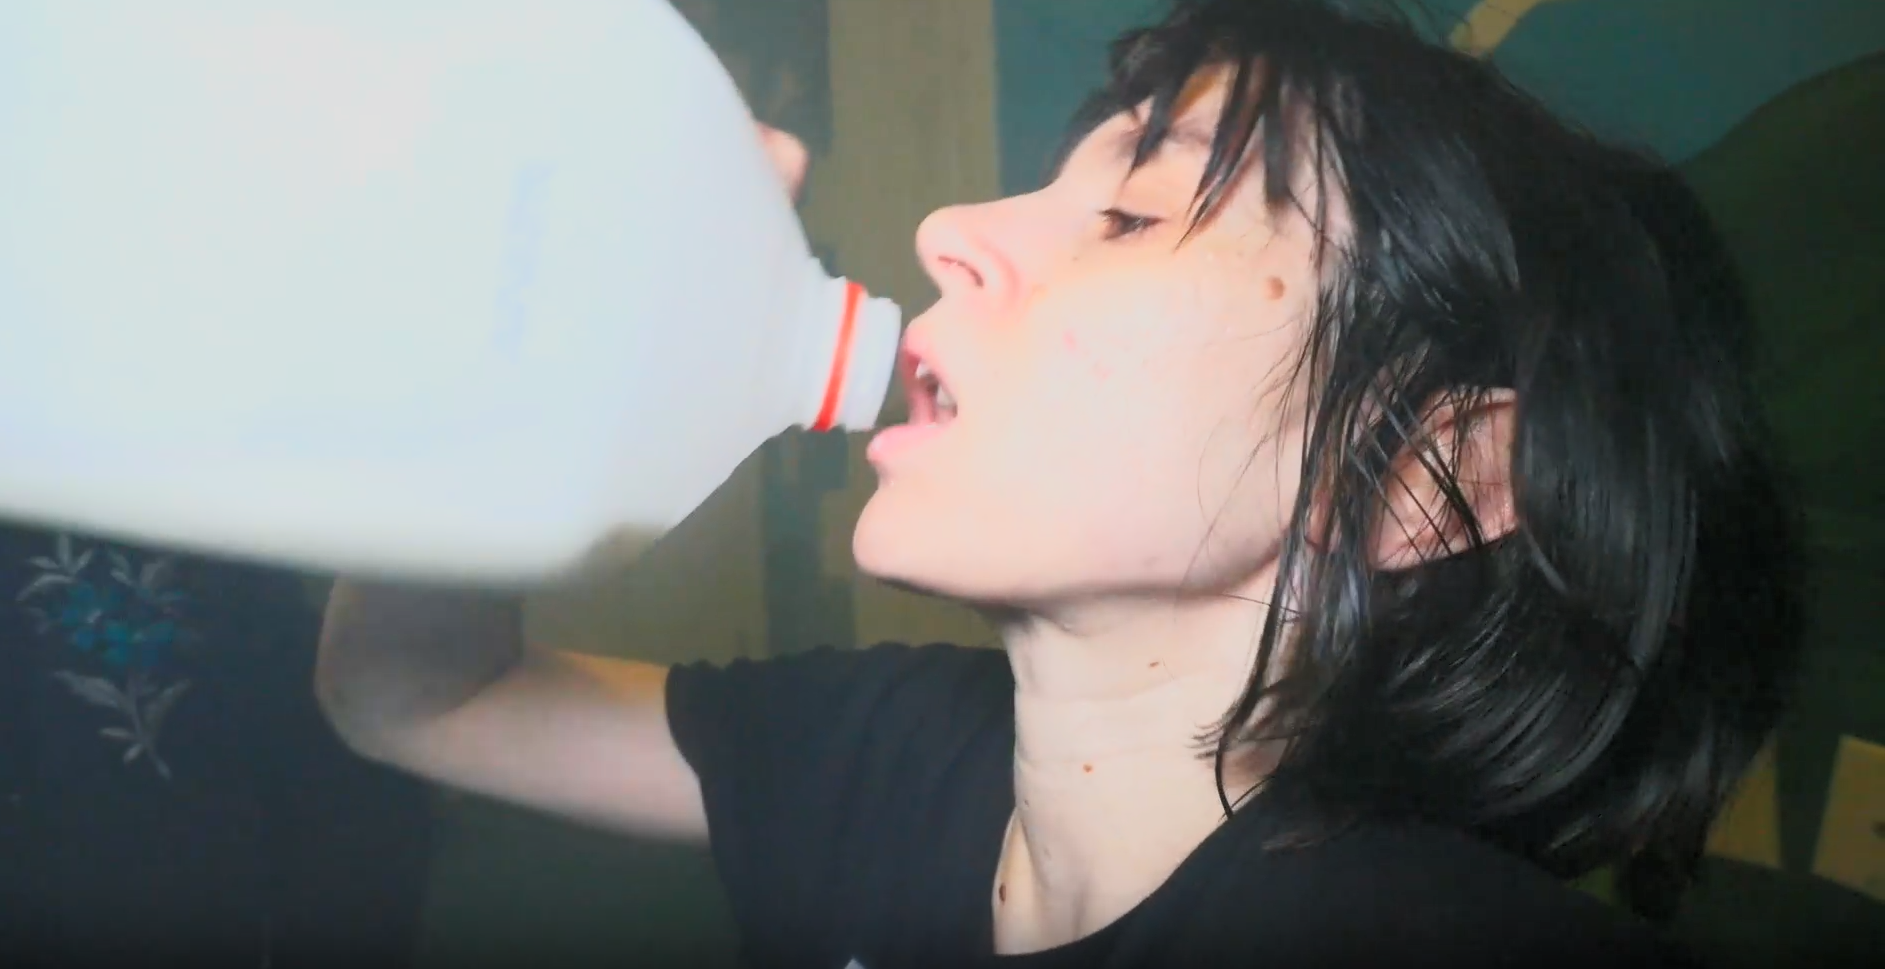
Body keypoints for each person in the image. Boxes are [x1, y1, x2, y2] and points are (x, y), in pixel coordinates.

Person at [315, 1, 1803, 966]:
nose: (950, 228)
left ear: (1420, 476)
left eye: (1136, 208)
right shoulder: (886, 754)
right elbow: (416, 698)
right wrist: (494, 400)